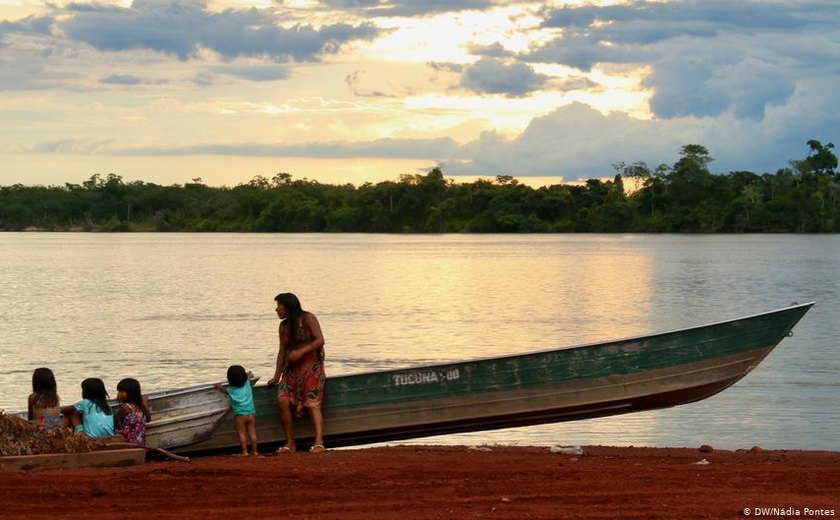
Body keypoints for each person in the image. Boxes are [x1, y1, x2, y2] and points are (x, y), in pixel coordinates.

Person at [266, 292, 326, 453]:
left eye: (279, 306)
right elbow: (282, 352)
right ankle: (290, 442)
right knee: (282, 400)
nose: (277, 309)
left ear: (288, 307)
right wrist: (276, 376)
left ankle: (319, 441)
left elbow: (320, 340)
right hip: (291, 371)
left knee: (313, 403)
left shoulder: (308, 319)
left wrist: (301, 352)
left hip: (311, 368)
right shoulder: (283, 327)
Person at [214, 365, 259, 456]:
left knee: (241, 434)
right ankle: (255, 451)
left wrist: (218, 386)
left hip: (240, 416)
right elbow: (250, 375)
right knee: (252, 432)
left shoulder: (231, 389)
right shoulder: (247, 383)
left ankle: (245, 452)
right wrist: (247, 374)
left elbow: (224, 390)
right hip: (250, 414)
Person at [114, 378, 151, 447]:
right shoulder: (140, 406)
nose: (119, 394)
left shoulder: (125, 408)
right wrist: (145, 404)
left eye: (121, 392)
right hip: (140, 443)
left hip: (126, 443)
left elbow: (114, 422)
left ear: (130, 393)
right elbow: (148, 418)